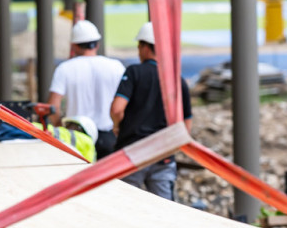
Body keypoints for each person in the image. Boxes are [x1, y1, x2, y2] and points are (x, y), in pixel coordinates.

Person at [110, 22, 193, 201]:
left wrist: (118, 127)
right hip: (163, 156)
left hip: (133, 154)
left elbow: (117, 109)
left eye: (139, 46)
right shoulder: (177, 80)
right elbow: (186, 125)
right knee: (165, 211)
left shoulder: (134, 72)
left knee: (126, 207)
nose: (139, 51)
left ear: (146, 48)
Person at [46, 20, 125, 159]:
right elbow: (124, 103)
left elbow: (53, 106)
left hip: (77, 137)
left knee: (80, 179)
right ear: (97, 43)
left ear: (74, 46)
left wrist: (60, 127)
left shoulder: (65, 68)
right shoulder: (116, 67)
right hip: (109, 135)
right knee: (110, 180)